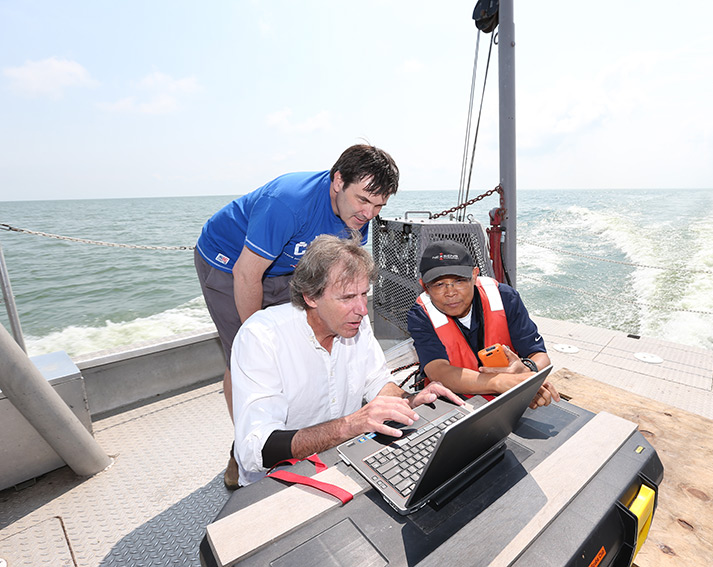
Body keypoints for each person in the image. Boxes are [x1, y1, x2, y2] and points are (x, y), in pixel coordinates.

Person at [194, 144, 398, 488]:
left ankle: (303, 435)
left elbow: (344, 276)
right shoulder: (287, 203)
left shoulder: (357, 218)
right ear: (338, 182)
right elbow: (247, 274)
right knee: (241, 353)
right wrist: (258, 342)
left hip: (288, 266)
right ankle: (240, 447)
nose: (369, 213)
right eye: (363, 200)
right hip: (229, 263)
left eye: (379, 206)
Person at [231, 235, 463, 487]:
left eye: (364, 294)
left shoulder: (355, 324)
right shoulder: (261, 336)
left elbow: (377, 382)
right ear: (310, 296)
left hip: (341, 461)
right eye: (347, 297)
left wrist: (410, 400)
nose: (362, 309)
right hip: (278, 480)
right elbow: (254, 451)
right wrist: (349, 426)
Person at [406, 240, 560, 408]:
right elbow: (438, 372)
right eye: (439, 284)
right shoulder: (420, 315)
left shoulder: (505, 297)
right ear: (424, 287)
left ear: (474, 275)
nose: (450, 292)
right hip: (452, 399)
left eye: (459, 281)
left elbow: (540, 355)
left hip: (508, 392)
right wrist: (499, 382)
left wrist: (527, 371)